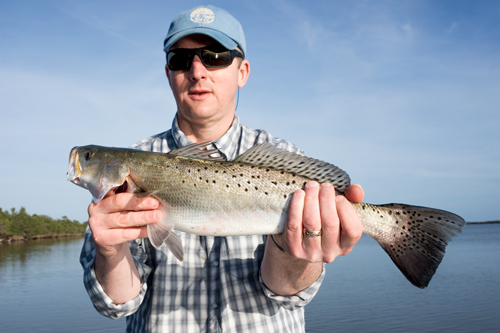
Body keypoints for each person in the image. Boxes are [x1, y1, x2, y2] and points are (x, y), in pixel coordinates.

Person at [80, 5, 364, 332]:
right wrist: (110, 247)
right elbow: (116, 304)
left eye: (215, 56)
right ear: (168, 73)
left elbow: (288, 293)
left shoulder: (288, 160)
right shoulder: (131, 170)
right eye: (180, 59)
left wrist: (296, 247)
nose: (197, 71)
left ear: (242, 71)